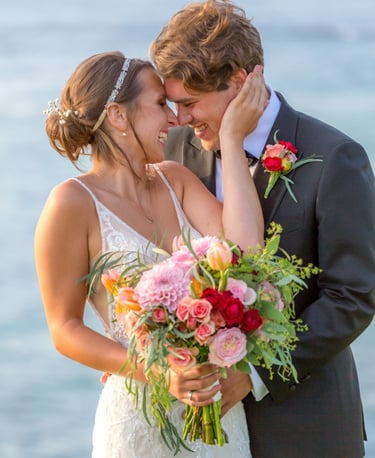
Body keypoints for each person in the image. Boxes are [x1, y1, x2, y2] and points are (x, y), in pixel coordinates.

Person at [150, 1, 375, 457]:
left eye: (191, 103)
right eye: (174, 104)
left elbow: (353, 296)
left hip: (304, 427)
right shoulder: (175, 149)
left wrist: (253, 374)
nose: (181, 119)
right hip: (196, 431)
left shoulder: (335, 158)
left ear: (241, 80)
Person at [34, 50, 268, 457]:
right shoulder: (71, 203)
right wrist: (159, 372)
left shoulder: (176, 179)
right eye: (161, 105)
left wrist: (230, 140)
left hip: (218, 415)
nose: (176, 119)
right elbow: (64, 329)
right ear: (118, 116)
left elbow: (247, 252)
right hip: (138, 417)